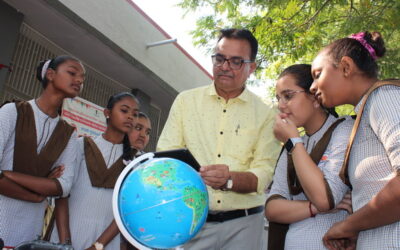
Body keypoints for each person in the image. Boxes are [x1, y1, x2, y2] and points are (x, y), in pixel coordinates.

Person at [157, 28, 281, 249]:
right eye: (220, 58)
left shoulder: (267, 112)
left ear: (251, 67)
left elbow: (264, 173)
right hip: (193, 222)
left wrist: (229, 179)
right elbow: (167, 156)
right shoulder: (186, 102)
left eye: (235, 61)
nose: (225, 67)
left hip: (245, 225)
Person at [310, 31, 400, 249]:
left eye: (318, 74)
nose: (312, 87)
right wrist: (361, 230)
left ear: (346, 67)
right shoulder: (364, 114)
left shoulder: (385, 97)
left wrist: (348, 225)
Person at [264, 64, 353, 249]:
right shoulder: (294, 142)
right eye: (278, 98)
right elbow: (272, 209)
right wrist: (313, 207)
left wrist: (294, 142)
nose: (281, 105)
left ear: (314, 95)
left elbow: (325, 198)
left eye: (288, 96)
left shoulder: (343, 130)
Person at [0, 55, 85, 247]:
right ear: (50, 74)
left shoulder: (68, 133)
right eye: (72, 73)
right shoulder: (11, 112)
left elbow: (63, 187)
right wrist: (38, 193)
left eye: (82, 78)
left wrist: (5, 174)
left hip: (30, 231)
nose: (79, 80)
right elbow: (52, 187)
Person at [51, 92, 139, 250]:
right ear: (107, 113)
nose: (130, 117)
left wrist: (98, 246)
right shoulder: (80, 145)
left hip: (106, 243)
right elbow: (62, 195)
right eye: (124, 111)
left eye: (135, 114)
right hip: (66, 236)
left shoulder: (135, 163)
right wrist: (65, 243)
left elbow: (125, 211)